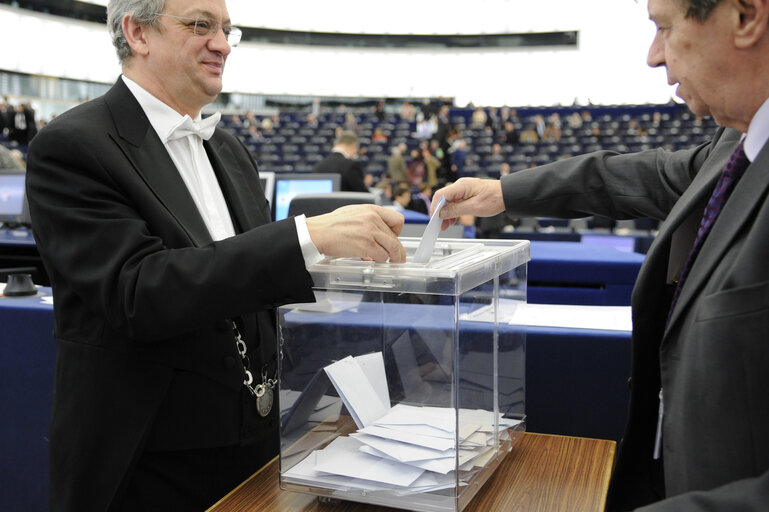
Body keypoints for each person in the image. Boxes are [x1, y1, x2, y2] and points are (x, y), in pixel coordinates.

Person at [24, 1, 405, 510]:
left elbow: (253, 283)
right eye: (200, 25)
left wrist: (337, 267)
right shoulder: (71, 146)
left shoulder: (229, 149)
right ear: (137, 32)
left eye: (226, 29)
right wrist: (304, 238)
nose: (222, 43)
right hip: (144, 465)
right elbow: (138, 291)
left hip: (261, 448)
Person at [433, 0, 769, 510]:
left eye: (664, 27)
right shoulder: (738, 142)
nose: (654, 56)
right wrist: (506, 193)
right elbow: (638, 176)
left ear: (746, 17)